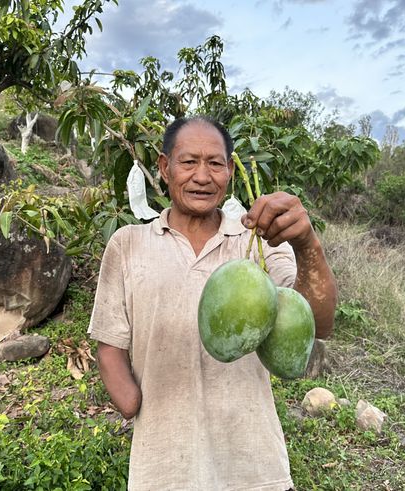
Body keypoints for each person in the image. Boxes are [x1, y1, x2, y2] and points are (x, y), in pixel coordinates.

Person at [88, 116, 337, 490]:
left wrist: (306, 245)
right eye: (189, 162)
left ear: (231, 170)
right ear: (164, 167)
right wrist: (132, 402)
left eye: (215, 163)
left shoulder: (261, 245)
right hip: (163, 471)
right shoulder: (127, 244)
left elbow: (318, 324)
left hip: (254, 469)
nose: (202, 176)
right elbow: (109, 343)